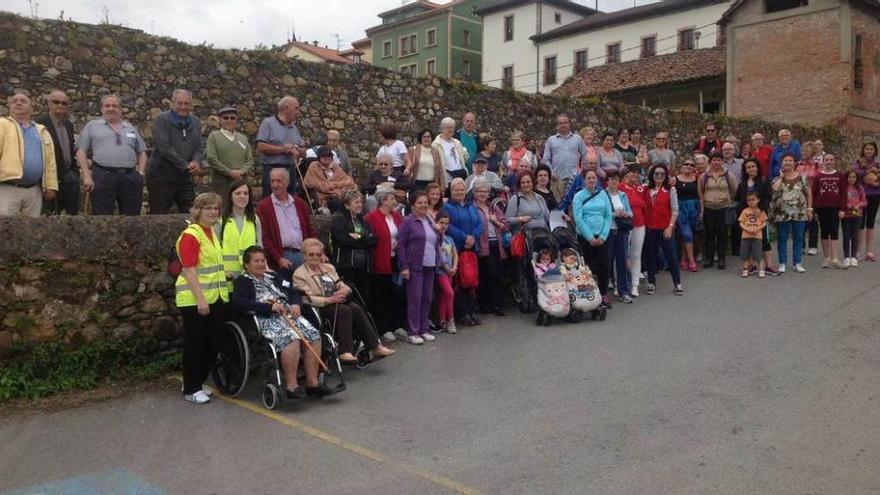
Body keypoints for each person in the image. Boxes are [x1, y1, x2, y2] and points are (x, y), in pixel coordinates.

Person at [232, 246, 331, 399]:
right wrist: (268, 307)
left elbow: (292, 291)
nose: (260, 264)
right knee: (292, 339)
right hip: (265, 319)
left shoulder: (273, 277)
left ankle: (312, 382)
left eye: (262, 260)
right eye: (256, 261)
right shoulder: (242, 281)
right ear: (246, 265)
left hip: (289, 315)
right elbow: (240, 303)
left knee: (314, 336)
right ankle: (292, 386)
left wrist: (296, 303)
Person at [294, 238, 395, 362]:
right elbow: (307, 298)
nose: (315, 257)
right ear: (304, 255)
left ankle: (375, 346)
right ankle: (344, 351)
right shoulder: (299, 274)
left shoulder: (328, 268)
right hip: (319, 307)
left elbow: (340, 283)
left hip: (338, 301)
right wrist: (329, 299)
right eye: (311, 254)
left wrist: (344, 289)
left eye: (318, 254)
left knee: (356, 308)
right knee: (344, 310)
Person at [174, 192, 228, 404]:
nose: (213, 212)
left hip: (214, 296)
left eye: (215, 208)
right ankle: (191, 387)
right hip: (195, 299)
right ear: (198, 211)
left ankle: (195, 380)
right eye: (208, 208)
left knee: (212, 342)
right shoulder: (191, 235)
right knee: (195, 344)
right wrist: (200, 299)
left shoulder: (211, 231)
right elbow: (189, 271)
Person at [76, 94, 147, 216]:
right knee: (102, 217)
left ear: (120, 109)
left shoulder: (130, 128)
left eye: (115, 106)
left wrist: (140, 173)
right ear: (102, 109)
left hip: (130, 177)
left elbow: (142, 152)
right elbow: (80, 151)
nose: (111, 108)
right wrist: (87, 176)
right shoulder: (92, 126)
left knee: (132, 219)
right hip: (103, 176)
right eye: (107, 106)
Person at [0, 91, 58, 217]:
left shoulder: (41, 131)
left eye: (23, 101)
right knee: (5, 231)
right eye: (15, 101)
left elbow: (50, 161)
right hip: (8, 189)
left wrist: (51, 186)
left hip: (34, 191)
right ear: (9, 106)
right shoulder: (2, 125)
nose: (18, 103)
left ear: (31, 108)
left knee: (32, 232)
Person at [147, 89, 204, 214]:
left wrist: (196, 161)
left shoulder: (195, 122)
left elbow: (199, 146)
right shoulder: (162, 120)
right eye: (180, 103)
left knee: (191, 215)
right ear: (172, 103)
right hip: (162, 176)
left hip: (185, 178)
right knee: (159, 217)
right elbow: (165, 148)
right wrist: (186, 165)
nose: (183, 107)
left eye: (186, 103)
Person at [398, 192, 443, 343]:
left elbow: (436, 241)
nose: (423, 205)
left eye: (425, 202)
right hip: (415, 266)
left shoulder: (430, 220)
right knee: (415, 299)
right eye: (420, 203)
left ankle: (424, 329)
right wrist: (404, 266)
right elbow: (401, 245)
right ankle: (413, 332)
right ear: (412, 206)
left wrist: (439, 233)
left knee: (427, 298)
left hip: (430, 265)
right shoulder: (408, 222)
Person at [364, 187, 406, 342]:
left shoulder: (396, 216)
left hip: (396, 259)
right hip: (380, 261)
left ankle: (397, 324)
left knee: (397, 293)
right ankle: (383, 327)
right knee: (381, 295)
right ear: (383, 200)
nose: (395, 201)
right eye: (392, 198)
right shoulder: (371, 217)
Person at [255, 168, 314, 271]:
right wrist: (278, 258)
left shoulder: (300, 204)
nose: (275, 185)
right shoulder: (263, 207)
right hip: (281, 256)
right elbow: (264, 237)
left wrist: (316, 252)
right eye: (272, 181)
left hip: (303, 253)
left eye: (279, 181)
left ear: (287, 182)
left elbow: (310, 230)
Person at [444, 178, 483, 326]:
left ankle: (472, 310)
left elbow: (479, 223)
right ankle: (463, 313)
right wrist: (464, 237)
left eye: (461, 189)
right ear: (451, 191)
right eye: (456, 190)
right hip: (457, 248)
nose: (459, 192)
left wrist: (473, 236)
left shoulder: (470, 205)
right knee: (460, 281)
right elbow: (449, 226)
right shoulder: (447, 207)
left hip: (472, 247)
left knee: (471, 280)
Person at [572, 169, 613, 306]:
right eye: (588, 178)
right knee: (588, 267)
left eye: (593, 178)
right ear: (584, 180)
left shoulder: (603, 195)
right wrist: (590, 237)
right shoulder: (578, 196)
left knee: (604, 265)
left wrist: (603, 235)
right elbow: (578, 218)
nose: (591, 180)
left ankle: (603, 293)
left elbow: (608, 216)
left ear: (597, 180)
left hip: (602, 236)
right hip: (585, 237)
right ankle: (589, 294)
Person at [643, 164, 684, 295]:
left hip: (665, 228)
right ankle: (651, 282)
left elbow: (675, 210)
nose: (659, 176)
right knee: (651, 256)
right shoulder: (645, 189)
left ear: (666, 176)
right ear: (652, 175)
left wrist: (670, 227)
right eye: (656, 173)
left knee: (671, 255)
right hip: (650, 228)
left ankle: (677, 283)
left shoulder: (671, 190)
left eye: (662, 174)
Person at [37, 89, 79, 215]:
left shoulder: (69, 125)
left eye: (64, 103)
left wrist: (75, 172)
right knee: (49, 218)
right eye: (56, 102)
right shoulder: (40, 124)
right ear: (49, 103)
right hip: (51, 180)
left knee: (72, 218)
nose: (60, 105)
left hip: (69, 178)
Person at [330, 190, 377, 300]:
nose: (360, 205)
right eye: (356, 202)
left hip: (364, 266)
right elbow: (343, 240)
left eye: (361, 202)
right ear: (347, 205)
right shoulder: (339, 219)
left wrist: (358, 238)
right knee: (350, 296)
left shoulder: (363, 221)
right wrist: (363, 240)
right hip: (346, 265)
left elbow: (373, 239)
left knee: (364, 296)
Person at [734, 159, 777, 275]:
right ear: (745, 170)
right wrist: (742, 212)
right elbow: (737, 198)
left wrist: (761, 210)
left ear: (757, 167)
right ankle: (751, 265)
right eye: (748, 167)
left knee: (763, 240)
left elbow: (768, 197)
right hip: (746, 217)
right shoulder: (742, 183)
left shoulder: (764, 180)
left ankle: (768, 266)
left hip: (760, 215)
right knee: (748, 241)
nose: (751, 169)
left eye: (753, 166)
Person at [771, 153, 812, 273]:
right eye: (785, 161)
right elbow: (774, 190)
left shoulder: (803, 178)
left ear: (795, 163)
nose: (787, 162)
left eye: (790, 160)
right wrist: (781, 177)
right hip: (782, 213)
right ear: (782, 163)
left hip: (800, 212)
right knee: (782, 238)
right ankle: (782, 263)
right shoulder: (777, 178)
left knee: (798, 238)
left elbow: (808, 194)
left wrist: (809, 209)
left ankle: (797, 263)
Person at [473, 178, 509, 315]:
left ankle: (497, 305)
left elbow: (505, 224)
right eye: (480, 191)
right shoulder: (473, 208)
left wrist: (496, 222)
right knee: (489, 274)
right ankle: (486, 304)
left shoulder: (493, 207)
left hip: (496, 244)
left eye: (485, 191)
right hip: (483, 244)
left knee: (498, 274)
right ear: (475, 193)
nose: (482, 193)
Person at [256, 96, 304, 198]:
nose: (298, 112)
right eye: (296, 108)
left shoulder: (294, 128)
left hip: (290, 170)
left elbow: (301, 147)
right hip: (272, 169)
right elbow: (261, 146)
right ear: (286, 108)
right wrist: (283, 149)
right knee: (271, 203)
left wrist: (300, 151)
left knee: (290, 201)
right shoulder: (268, 123)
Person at [221, 179, 262, 290]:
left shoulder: (254, 219)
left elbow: (259, 247)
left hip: (249, 278)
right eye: (238, 193)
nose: (242, 196)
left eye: (245, 193)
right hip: (226, 279)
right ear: (230, 197)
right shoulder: (221, 220)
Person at [699, 152, 738, 269]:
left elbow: (734, 190)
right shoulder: (704, 176)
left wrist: (728, 200)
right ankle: (709, 258)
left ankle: (721, 258)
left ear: (722, 161)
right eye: (714, 160)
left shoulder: (728, 175)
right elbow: (701, 191)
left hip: (723, 207)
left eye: (719, 160)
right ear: (710, 161)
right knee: (709, 233)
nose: (716, 162)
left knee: (722, 234)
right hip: (709, 207)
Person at [206, 106, 254, 196]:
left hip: (240, 182)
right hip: (221, 182)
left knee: (240, 208)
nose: (229, 120)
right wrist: (229, 172)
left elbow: (250, 160)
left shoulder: (243, 138)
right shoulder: (214, 137)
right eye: (225, 118)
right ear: (220, 120)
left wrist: (241, 172)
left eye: (232, 118)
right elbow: (211, 159)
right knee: (222, 208)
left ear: (236, 120)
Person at [812, 153, 847, 269]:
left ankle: (835, 258)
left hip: (835, 208)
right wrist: (814, 210)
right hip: (821, 208)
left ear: (834, 161)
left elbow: (843, 193)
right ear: (823, 161)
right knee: (824, 232)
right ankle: (826, 258)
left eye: (831, 159)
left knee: (834, 231)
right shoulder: (818, 176)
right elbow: (814, 193)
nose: (829, 161)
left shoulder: (840, 175)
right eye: (827, 159)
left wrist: (842, 209)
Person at [543, 113, 588, 200]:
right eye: (560, 123)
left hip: (574, 178)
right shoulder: (551, 140)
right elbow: (546, 159)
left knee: (573, 204)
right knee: (558, 205)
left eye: (565, 122)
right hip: (557, 178)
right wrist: (551, 173)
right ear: (557, 125)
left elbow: (585, 155)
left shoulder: (577, 139)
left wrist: (581, 170)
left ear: (569, 124)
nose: (563, 125)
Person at [605, 170, 634, 303]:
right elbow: (602, 213)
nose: (613, 181)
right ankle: (604, 292)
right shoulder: (603, 195)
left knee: (622, 261)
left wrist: (624, 214)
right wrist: (614, 214)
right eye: (611, 179)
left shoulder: (623, 195)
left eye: (616, 179)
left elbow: (630, 212)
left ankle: (624, 291)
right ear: (607, 181)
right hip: (608, 232)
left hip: (621, 231)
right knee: (607, 261)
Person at [303, 145, 358, 212]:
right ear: (319, 157)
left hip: (341, 195)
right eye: (324, 156)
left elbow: (350, 182)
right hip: (326, 198)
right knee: (338, 203)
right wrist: (339, 187)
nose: (327, 158)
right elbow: (322, 186)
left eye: (329, 156)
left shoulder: (335, 166)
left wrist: (334, 185)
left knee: (356, 200)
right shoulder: (314, 166)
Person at [620, 167, 647, 296]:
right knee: (623, 254)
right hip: (624, 225)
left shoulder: (641, 189)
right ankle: (620, 283)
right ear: (626, 175)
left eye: (636, 173)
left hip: (639, 224)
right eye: (631, 173)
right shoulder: (620, 187)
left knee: (636, 254)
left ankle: (635, 284)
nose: (634, 176)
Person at [854, 142, 880, 261]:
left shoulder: (878, 164)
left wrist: (876, 182)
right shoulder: (858, 162)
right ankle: (858, 251)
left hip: (875, 195)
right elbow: (855, 174)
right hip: (861, 196)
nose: (869, 151)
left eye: (871, 149)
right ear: (863, 150)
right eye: (867, 149)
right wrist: (869, 170)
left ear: (875, 151)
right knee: (860, 223)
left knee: (871, 223)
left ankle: (869, 252)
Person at [435, 211, 459, 334]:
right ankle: (450, 320)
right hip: (441, 271)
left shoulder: (449, 239)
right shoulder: (436, 238)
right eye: (441, 223)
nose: (444, 225)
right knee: (449, 294)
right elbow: (438, 255)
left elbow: (455, 254)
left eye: (446, 223)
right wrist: (447, 268)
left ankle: (442, 320)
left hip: (450, 271)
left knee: (444, 297)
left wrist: (454, 266)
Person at [676, 160, 700, 272]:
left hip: (694, 208)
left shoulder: (697, 179)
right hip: (681, 209)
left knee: (688, 235)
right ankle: (691, 261)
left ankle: (683, 258)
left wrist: (702, 210)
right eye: (686, 164)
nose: (689, 166)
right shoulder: (675, 179)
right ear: (681, 166)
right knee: (687, 234)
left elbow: (700, 196)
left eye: (691, 165)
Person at [738, 192, 768, 278]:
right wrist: (747, 229)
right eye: (749, 200)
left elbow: (765, 222)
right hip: (745, 236)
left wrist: (757, 229)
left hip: (757, 236)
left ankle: (761, 270)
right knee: (745, 254)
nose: (751, 202)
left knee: (758, 254)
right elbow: (741, 223)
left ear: (758, 200)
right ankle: (745, 269)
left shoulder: (760, 211)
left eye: (753, 200)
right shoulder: (745, 211)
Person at [797, 148, 822, 256]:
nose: (804, 154)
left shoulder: (817, 165)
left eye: (806, 152)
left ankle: (813, 246)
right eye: (803, 152)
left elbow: (821, 178)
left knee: (813, 221)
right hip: (800, 195)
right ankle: (801, 245)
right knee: (801, 220)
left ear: (811, 153)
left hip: (814, 195)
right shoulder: (799, 164)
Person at [842, 170, 867, 267]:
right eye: (849, 177)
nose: (851, 179)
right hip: (846, 215)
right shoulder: (844, 188)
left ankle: (853, 257)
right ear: (846, 178)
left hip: (857, 215)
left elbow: (864, 201)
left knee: (854, 235)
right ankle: (846, 257)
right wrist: (846, 205)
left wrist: (859, 205)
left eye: (853, 177)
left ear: (856, 178)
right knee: (846, 235)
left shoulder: (860, 188)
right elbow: (840, 200)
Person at [433, 117, 469, 183]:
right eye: (448, 127)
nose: (451, 129)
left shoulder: (457, 143)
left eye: (452, 127)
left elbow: (463, 158)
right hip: (446, 177)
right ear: (442, 128)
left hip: (460, 175)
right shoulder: (436, 144)